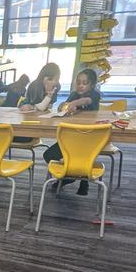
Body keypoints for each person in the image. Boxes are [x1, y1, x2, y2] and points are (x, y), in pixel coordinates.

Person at [43, 68, 103, 196]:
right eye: (78, 82)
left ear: (92, 84)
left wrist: (75, 102)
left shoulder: (95, 94)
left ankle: (82, 180)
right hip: (70, 138)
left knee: (80, 158)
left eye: (85, 83)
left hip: (88, 139)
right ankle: (69, 177)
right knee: (48, 155)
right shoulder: (74, 94)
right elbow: (65, 105)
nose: (81, 85)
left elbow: (87, 101)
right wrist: (63, 106)